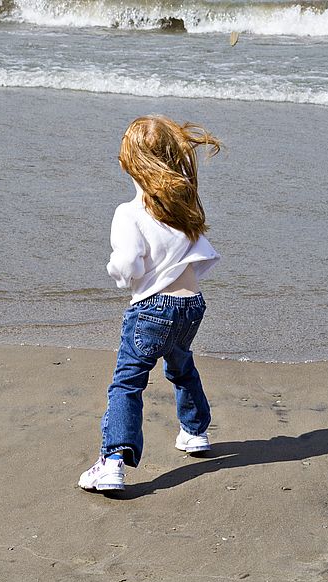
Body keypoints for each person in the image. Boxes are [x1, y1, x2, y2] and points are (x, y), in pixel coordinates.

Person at [78, 115, 221, 492]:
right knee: (181, 366)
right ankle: (195, 431)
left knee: (126, 383)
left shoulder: (130, 212)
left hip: (152, 310)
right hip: (192, 306)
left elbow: (127, 264)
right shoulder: (184, 205)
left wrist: (117, 271)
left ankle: (112, 462)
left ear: (129, 163)